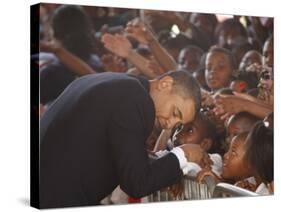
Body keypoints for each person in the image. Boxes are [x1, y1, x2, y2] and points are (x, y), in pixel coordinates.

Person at [39, 70, 212, 208]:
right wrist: (184, 154)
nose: (169, 124)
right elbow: (136, 183)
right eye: (175, 113)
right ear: (165, 84)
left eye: (177, 123)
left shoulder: (116, 83)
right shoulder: (136, 100)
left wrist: (172, 168)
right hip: (54, 199)